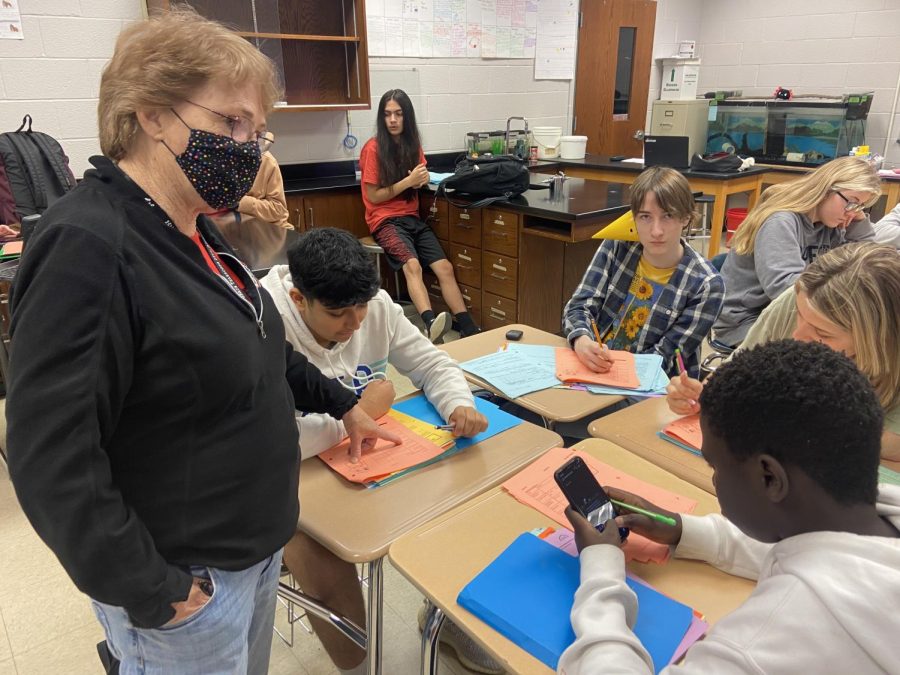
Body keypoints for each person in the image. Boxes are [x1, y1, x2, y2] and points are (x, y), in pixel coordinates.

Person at [4, 10, 395, 675]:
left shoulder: (190, 228)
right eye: (231, 123)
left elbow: (260, 347)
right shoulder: (89, 244)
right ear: (151, 113)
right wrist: (152, 587)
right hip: (189, 581)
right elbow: (47, 454)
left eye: (256, 128)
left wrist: (342, 403)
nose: (249, 145)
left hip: (253, 549)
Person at [560, 340, 900, 674]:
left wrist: (602, 570)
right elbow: (818, 552)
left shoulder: (765, 641)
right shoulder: (871, 515)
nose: (714, 481)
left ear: (769, 477)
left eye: (716, 467)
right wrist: (682, 528)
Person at [260, 227, 503, 675]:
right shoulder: (262, 319)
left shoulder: (373, 307)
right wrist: (362, 409)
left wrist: (459, 404)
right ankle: (357, 665)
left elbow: (431, 363)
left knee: (464, 502)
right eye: (338, 315)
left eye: (361, 310)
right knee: (331, 571)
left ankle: (445, 619)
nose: (355, 325)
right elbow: (267, 437)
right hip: (290, 478)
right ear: (299, 300)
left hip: (371, 459)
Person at [668, 243, 900, 460]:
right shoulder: (800, 300)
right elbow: (730, 376)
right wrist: (704, 396)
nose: (797, 336)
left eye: (823, 333)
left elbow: (893, 443)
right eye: (799, 314)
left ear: (876, 339)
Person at [563, 166, 725, 380]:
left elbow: (666, 357)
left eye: (667, 216)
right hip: (593, 371)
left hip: (651, 387)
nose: (656, 231)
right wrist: (582, 341)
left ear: (686, 217)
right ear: (634, 218)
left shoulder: (706, 285)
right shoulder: (616, 246)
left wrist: (609, 373)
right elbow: (579, 306)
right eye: (645, 217)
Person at [713, 156, 880, 346]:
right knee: (844, 351)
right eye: (851, 202)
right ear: (826, 189)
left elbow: (868, 266)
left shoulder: (832, 224)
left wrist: (858, 219)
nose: (851, 212)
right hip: (748, 320)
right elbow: (785, 290)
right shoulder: (781, 222)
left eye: (859, 206)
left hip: (796, 314)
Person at [360, 88, 481, 342]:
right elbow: (374, 196)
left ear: (407, 117)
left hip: (411, 219)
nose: (392, 120)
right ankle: (431, 325)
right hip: (384, 221)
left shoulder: (412, 145)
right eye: (387, 114)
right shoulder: (373, 149)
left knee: (445, 268)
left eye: (398, 114)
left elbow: (418, 179)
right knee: (412, 265)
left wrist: (421, 180)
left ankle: (469, 328)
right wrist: (408, 181)